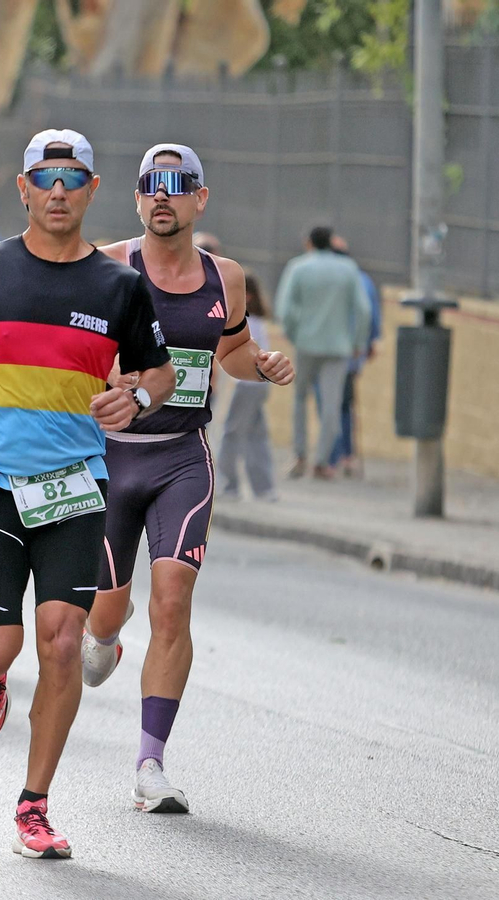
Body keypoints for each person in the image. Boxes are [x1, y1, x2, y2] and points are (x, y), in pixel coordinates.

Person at [0, 129, 176, 859]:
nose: (59, 191)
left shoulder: (120, 286)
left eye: (74, 178)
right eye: (45, 178)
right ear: (25, 189)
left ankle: (34, 804)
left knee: (62, 644)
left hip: (73, 488)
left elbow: (158, 374)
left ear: (93, 191)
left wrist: (139, 401)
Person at [80, 144, 295, 818]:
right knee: (107, 614)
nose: (163, 196)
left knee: (173, 601)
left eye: (179, 185)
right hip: (112, 458)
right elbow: (76, 351)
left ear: (201, 199)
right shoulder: (111, 265)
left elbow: (229, 351)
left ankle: (150, 765)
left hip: (180, 456)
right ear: (138, 199)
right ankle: (104, 633)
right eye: (152, 185)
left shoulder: (224, 277)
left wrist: (261, 364)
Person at [275, 225, 370, 480]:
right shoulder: (348, 269)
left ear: (309, 242)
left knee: (299, 399)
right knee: (331, 404)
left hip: (306, 343)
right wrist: (357, 342)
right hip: (338, 346)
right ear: (330, 242)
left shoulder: (299, 267)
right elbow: (363, 310)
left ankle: (299, 455)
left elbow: (285, 308)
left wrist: (293, 333)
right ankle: (322, 461)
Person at [216, 274, 279, 500]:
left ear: (247, 295)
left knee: (232, 432)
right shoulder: (257, 320)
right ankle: (264, 488)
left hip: (247, 384)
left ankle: (229, 484)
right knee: (256, 434)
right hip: (258, 385)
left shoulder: (245, 320)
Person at [327, 235, 382, 478]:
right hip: (351, 353)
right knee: (345, 405)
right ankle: (346, 455)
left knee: (330, 403)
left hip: (332, 350)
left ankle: (335, 456)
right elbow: (371, 315)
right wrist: (367, 343)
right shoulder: (363, 279)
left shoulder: (331, 278)